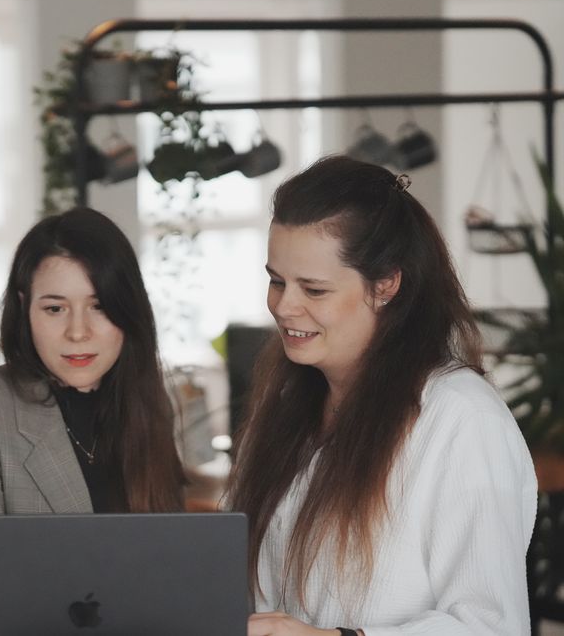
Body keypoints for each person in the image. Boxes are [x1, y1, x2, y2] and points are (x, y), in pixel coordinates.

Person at [227, 155, 537, 636]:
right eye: (277, 281)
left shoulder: (460, 419)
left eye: (314, 289)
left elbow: (491, 626)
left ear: (386, 284)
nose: (284, 307)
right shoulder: (286, 403)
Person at [0, 207, 186, 515]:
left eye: (98, 306)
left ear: (127, 308)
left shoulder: (149, 404)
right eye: (55, 309)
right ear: (26, 308)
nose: (77, 332)